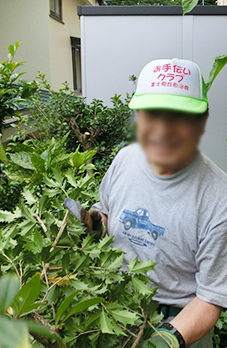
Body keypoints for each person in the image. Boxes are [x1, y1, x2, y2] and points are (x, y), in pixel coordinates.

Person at [87, 59, 227, 348]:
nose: (163, 129)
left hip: (181, 322)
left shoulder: (219, 199)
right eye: (152, 114)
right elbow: (108, 215)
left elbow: (211, 297)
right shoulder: (125, 159)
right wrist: (91, 222)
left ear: (202, 120)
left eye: (178, 116)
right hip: (113, 309)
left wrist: (166, 340)